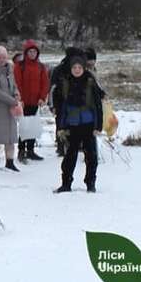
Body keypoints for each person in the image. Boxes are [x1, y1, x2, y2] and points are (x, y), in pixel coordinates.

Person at [52, 55, 104, 193]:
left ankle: (90, 183)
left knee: (91, 156)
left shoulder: (90, 81)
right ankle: (66, 183)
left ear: (83, 68)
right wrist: (61, 126)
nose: (76, 70)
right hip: (71, 124)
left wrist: (99, 126)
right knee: (70, 155)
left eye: (79, 67)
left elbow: (98, 104)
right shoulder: (65, 82)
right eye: (74, 67)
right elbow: (60, 105)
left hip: (88, 124)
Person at [0, 46, 22, 172]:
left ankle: (10, 161)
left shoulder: (10, 70)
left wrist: (17, 94)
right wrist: (12, 101)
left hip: (10, 109)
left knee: (10, 137)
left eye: (4, 57)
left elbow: (14, 85)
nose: (2, 59)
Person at [14, 40, 49, 163]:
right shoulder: (20, 66)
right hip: (23, 101)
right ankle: (21, 150)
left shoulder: (41, 66)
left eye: (35, 51)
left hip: (35, 101)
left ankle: (30, 150)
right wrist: (19, 99)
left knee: (33, 126)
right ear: (26, 52)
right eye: (30, 51)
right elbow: (17, 83)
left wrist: (42, 97)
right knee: (24, 126)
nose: (32, 54)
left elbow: (45, 83)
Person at [50, 46, 86, 156]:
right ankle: (62, 145)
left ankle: (72, 144)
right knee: (62, 122)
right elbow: (52, 89)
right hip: (61, 101)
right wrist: (52, 105)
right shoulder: (60, 70)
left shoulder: (77, 69)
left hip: (74, 101)